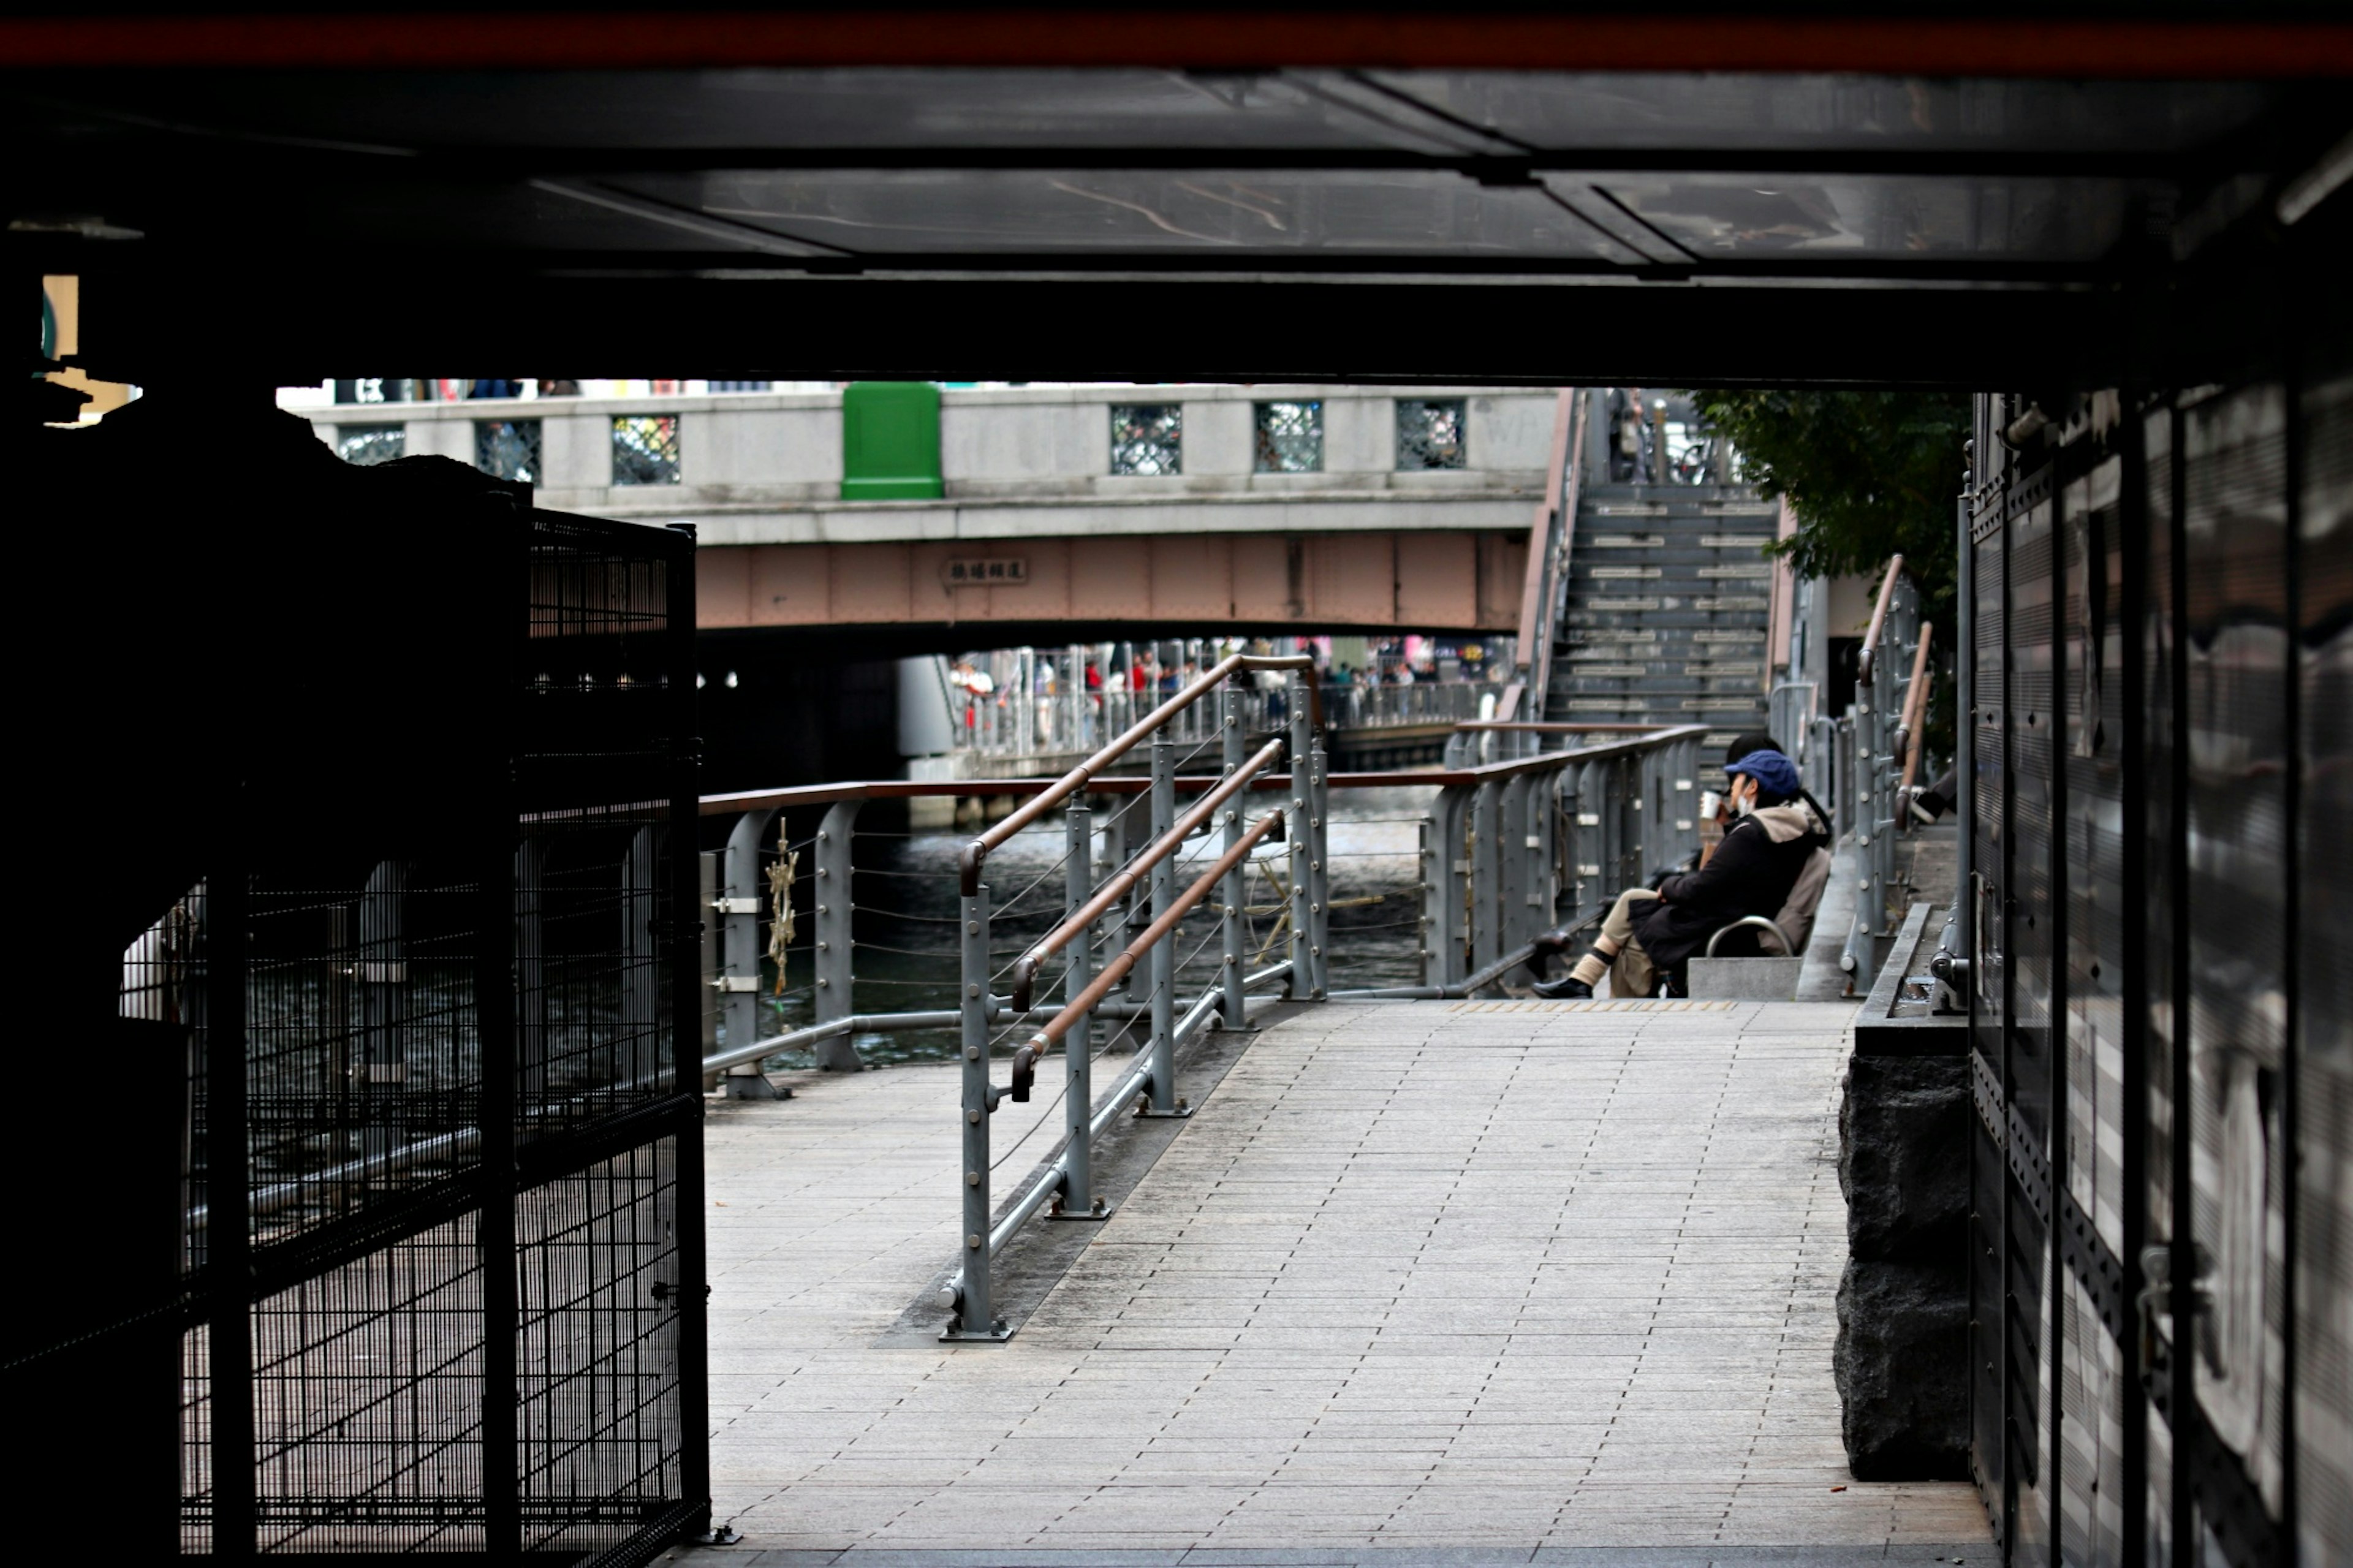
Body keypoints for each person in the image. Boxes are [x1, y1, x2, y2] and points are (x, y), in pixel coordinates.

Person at [1532, 748, 1829, 999]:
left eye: (1737, 780)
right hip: (1736, 919)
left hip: (1731, 930)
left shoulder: (1752, 834)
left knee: (1634, 932)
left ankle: (1604, 999)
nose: (1731, 789)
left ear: (1753, 786)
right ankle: (1584, 983)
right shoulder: (1789, 830)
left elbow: (1703, 886)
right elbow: (1728, 878)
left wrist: (1668, 886)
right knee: (1633, 910)